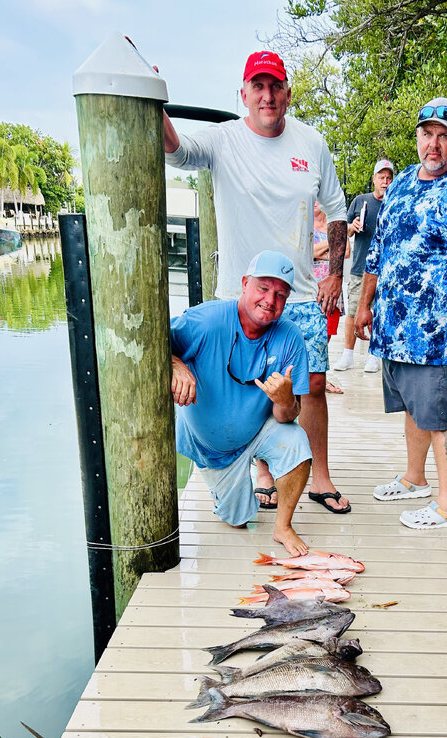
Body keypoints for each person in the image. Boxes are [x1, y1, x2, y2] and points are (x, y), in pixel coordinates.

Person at [164, 50, 350, 516]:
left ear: (287, 93)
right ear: (244, 94)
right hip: (239, 293)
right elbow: (176, 150)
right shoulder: (224, 139)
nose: (267, 96)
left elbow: (337, 210)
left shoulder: (311, 142)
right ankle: (263, 471)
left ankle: (320, 476)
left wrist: (336, 275)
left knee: (313, 384)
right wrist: (153, 100)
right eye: (258, 87)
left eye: (275, 86)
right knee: (253, 384)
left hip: (300, 292)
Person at [355, 97, 447, 529]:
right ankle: (414, 478)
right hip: (395, 329)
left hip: (441, 334)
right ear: (417, 136)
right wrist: (364, 305)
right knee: (412, 406)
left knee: (440, 415)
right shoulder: (402, 180)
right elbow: (379, 249)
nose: (433, 144)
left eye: (443, 136)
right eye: (426, 134)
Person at [170, 251, 312, 556]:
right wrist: (175, 363)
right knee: (239, 519)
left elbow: (287, 416)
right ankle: (230, 491)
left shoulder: (290, 337)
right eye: (263, 288)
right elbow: (154, 343)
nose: (270, 300)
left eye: (280, 294)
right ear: (245, 283)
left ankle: (283, 526)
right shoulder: (206, 320)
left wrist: (286, 400)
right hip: (210, 449)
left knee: (297, 440)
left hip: (258, 431)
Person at [335, 158, 394, 374]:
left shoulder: (395, 203)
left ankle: (373, 356)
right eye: (381, 177)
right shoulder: (360, 201)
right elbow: (344, 231)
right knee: (352, 312)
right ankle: (347, 355)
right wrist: (353, 226)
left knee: (380, 313)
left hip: (387, 271)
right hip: (360, 267)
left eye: (389, 178)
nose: (385, 182)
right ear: (374, 179)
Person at [313, 201, 349, 393]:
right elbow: (308, 253)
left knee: (325, 337)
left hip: (333, 291)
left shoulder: (333, 222)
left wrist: (321, 254)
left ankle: (322, 377)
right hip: (312, 289)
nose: (315, 202)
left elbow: (346, 252)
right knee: (311, 335)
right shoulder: (305, 225)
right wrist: (334, 244)